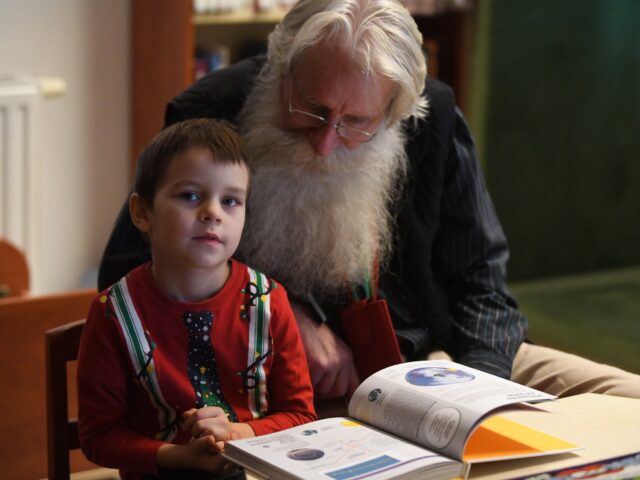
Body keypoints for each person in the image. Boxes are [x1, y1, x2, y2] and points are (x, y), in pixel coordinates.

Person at [99, 0, 640, 399]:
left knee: (623, 399)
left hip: (436, 361)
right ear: (282, 68)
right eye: (311, 108)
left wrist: (480, 386)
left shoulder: (434, 120)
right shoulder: (210, 113)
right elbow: (127, 270)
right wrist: (275, 314)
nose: (325, 141)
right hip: (276, 375)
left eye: (356, 121)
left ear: (395, 113)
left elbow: (480, 277)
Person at [78, 118, 316, 480]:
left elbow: (300, 415)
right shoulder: (112, 313)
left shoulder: (270, 301)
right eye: (190, 195)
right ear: (142, 212)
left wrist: (237, 434)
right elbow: (99, 437)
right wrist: (183, 456)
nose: (213, 213)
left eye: (231, 201)